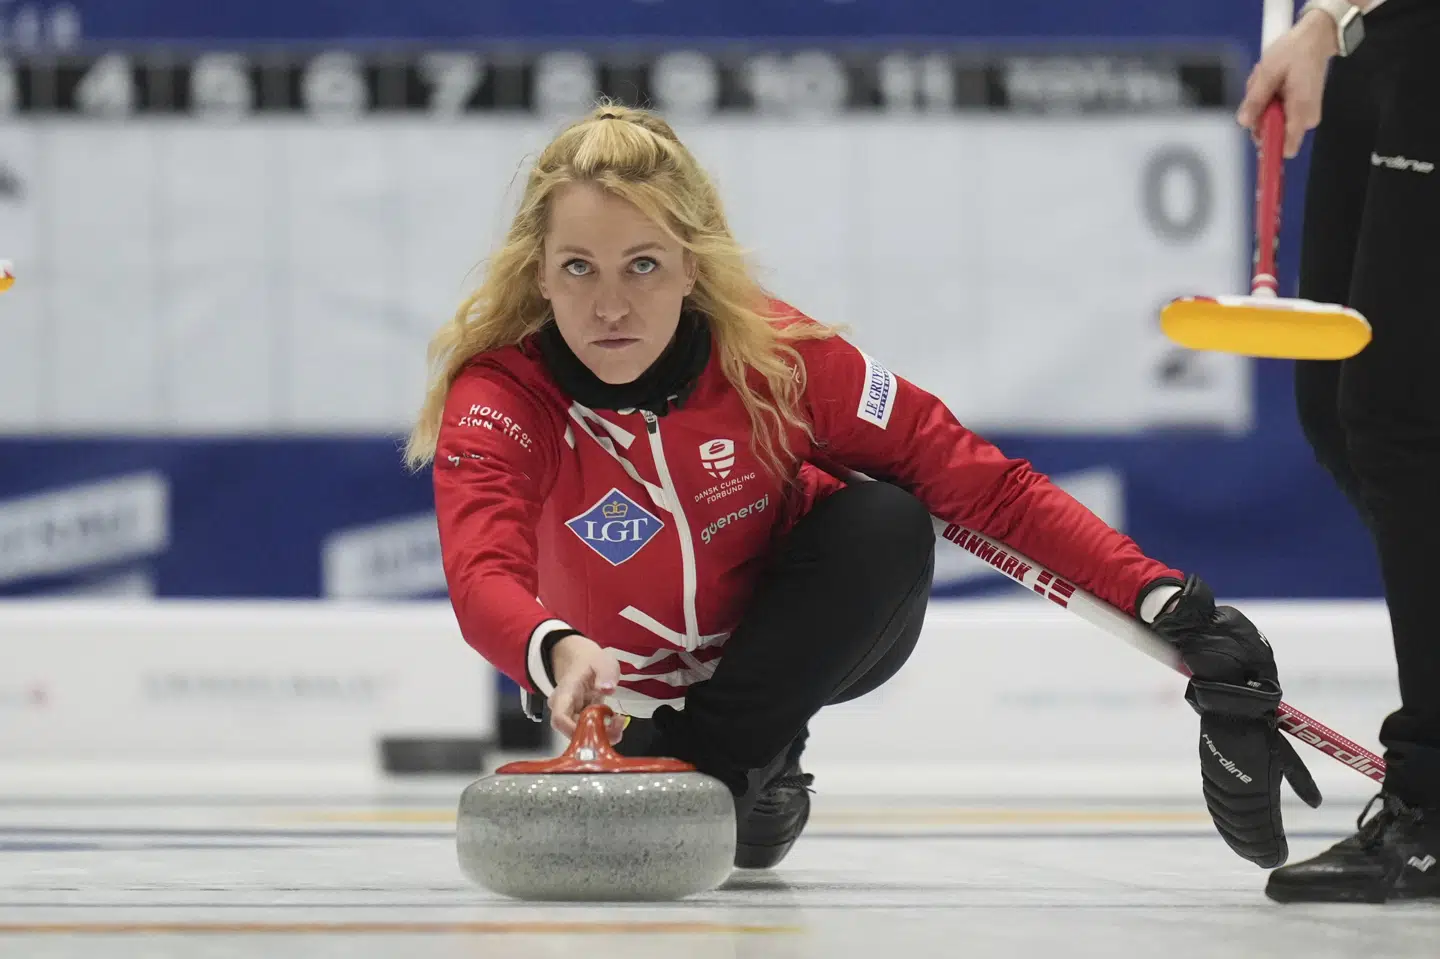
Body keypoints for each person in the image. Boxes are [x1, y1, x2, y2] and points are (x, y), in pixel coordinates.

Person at [406, 103, 1319, 871]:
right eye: (579, 268)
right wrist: (554, 645)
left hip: (785, 649)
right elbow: (480, 570)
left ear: (693, 266)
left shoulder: (780, 358)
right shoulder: (500, 395)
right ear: (540, 273)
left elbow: (981, 485)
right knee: (747, 848)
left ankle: (725, 762)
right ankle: (759, 764)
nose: (610, 305)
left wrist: (1168, 601)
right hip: (608, 684)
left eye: (643, 264)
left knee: (885, 517)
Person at [1235, 0, 1440, 903]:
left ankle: (1431, 799)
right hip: (1364, 40)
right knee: (1335, 402)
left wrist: (1322, 21)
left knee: (1397, 413)